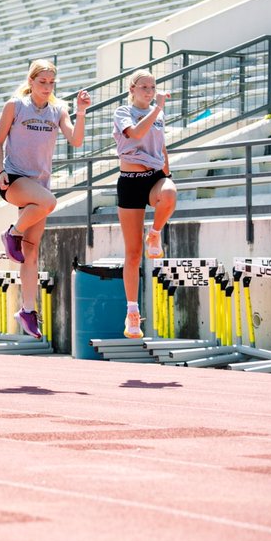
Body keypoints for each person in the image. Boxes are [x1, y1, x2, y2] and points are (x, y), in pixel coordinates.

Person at [0, 60, 91, 339]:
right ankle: (12, 232)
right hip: (14, 179)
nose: (47, 87)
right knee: (49, 202)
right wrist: (0, 171)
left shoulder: (59, 109)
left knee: (31, 251)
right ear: (32, 81)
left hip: (39, 184)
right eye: (42, 82)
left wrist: (81, 112)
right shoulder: (16, 105)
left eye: (51, 83)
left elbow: (76, 140)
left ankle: (27, 310)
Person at [114, 70, 177, 340]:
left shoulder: (157, 113)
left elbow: (160, 147)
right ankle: (132, 312)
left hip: (153, 177)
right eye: (144, 87)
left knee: (171, 193)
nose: (149, 92)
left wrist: (167, 172)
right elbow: (138, 133)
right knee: (133, 253)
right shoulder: (122, 112)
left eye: (153, 87)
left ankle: (156, 233)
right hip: (130, 181)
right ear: (132, 88)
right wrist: (157, 108)